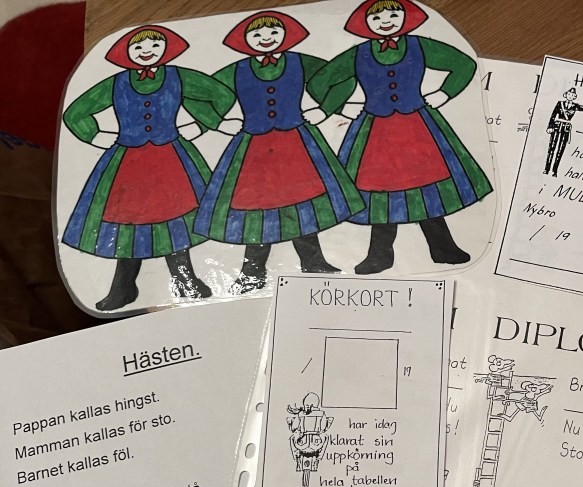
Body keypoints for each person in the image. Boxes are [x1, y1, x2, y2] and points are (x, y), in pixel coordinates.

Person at [307, 0, 493, 274]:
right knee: (379, 190)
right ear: (365, 23)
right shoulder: (358, 54)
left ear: (405, 17)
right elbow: (320, 81)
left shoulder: (420, 46)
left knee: (427, 184)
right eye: (377, 17)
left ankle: (443, 248)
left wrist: (445, 93)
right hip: (375, 131)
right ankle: (379, 255)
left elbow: (464, 64)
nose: (386, 20)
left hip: (417, 126)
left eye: (393, 14)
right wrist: (338, 107)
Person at [62, 25, 234, 311]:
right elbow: (75, 113)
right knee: (128, 221)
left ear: (165, 49)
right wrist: (96, 136)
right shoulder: (116, 83)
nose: (147, 52)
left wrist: (203, 124)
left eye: (154, 46)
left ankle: (185, 280)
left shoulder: (178, 76)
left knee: (176, 216)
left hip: (171, 158)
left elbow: (221, 95)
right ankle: (123, 288)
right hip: (128, 163)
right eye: (139, 47)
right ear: (127, 53)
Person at [193, 12, 365, 294]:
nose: (266, 39)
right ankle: (252, 273)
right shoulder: (236, 70)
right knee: (255, 206)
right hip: (254, 148)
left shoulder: (299, 62)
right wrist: (217, 122)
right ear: (246, 40)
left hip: (296, 141)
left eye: (273, 33)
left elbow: (339, 76)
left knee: (303, 201)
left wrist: (325, 108)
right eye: (257, 35)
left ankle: (314, 262)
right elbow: (201, 94)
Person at [544, 87, 583, 177]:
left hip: (566, 128)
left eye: (572, 95)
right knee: (551, 148)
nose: (570, 96)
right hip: (557, 126)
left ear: (574, 97)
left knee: (560, 150)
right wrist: (550, 126)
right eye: (569, 94)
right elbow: (553, 115)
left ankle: (554, 171)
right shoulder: (560, 104)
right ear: (566, 95)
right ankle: (546, 169)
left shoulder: (575, 106)